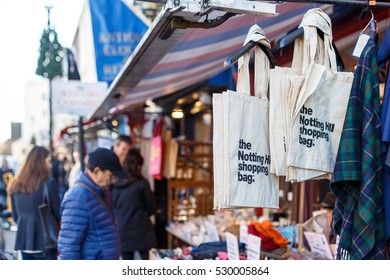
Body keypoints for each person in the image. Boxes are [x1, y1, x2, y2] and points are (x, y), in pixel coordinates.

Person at [58, 147, 128, 260]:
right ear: (97, 171)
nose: (113, 180)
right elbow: (68, 246)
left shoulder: (102, 191)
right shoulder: (78, 197)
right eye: (111, 176)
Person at [8, 146, 60, 260]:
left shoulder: (14, 185)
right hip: (46, 241)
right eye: (48, 161)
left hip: (24, 241)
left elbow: (16, 217)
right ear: (40, 162)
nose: (51, 165)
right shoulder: (49, 183)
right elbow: (58, 213)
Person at [112, 148, 157, 260]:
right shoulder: (142, 183)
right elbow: (151, 208)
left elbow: (113, 208)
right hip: (143, 232)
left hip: (123, 233)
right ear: (138, 166)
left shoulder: (114, 185)